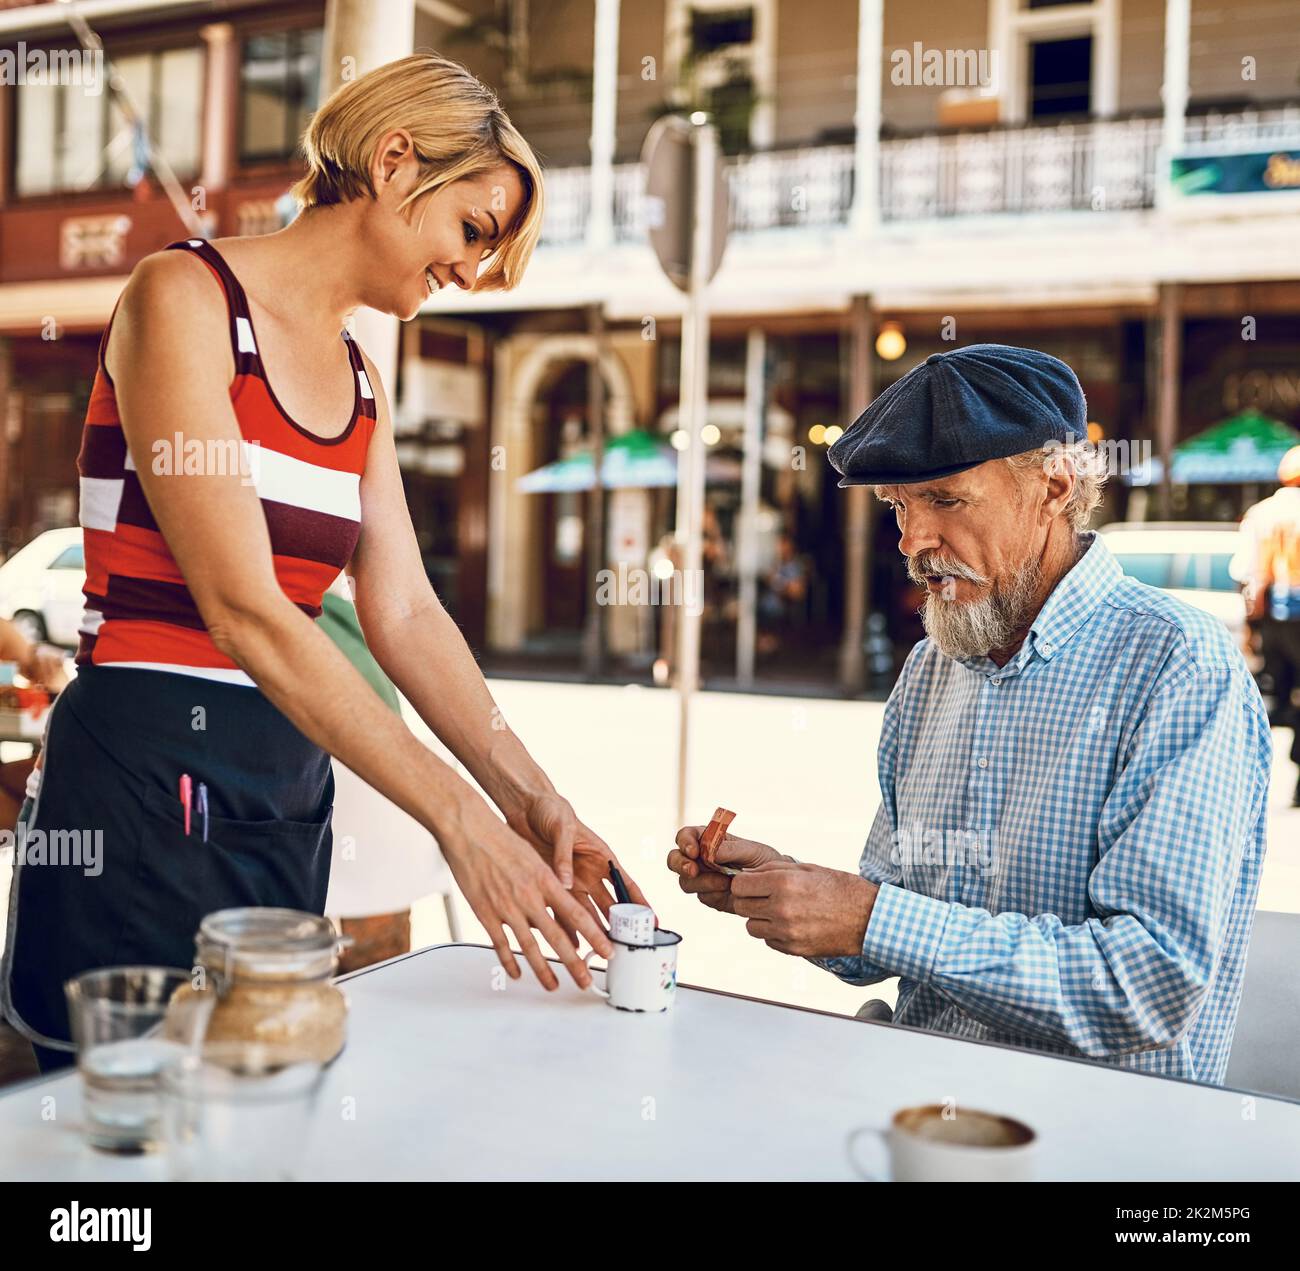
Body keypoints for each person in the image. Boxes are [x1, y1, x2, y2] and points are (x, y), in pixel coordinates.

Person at [2, 54, 645, 1072]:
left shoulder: (359, 377)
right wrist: (456, 822)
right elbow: (244, 609)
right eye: (471, 231)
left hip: (280, 783)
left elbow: (406, 614)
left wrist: (529, 798)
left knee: (264, 1107)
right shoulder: (183, 294)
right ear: (395, 162)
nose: (471, 272)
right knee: (124, 1128)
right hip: (140, 773)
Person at [669, 344, 1269, 1086]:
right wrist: (794, 891)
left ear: (1053, 484)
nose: (912, 541)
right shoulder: (931, 669)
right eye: (899, 505)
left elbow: (1146, 984)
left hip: (1101, 1141)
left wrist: (868, 917)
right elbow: (896, 920)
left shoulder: (1177, 665)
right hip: (919, 1109)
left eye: (945, 499)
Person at [1235, 446, 1300, 804]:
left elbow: (1246, 570)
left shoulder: (1261, 514)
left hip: (1271, 617)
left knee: (1268, 698)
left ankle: (1250, 777)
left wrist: (1251, 624)